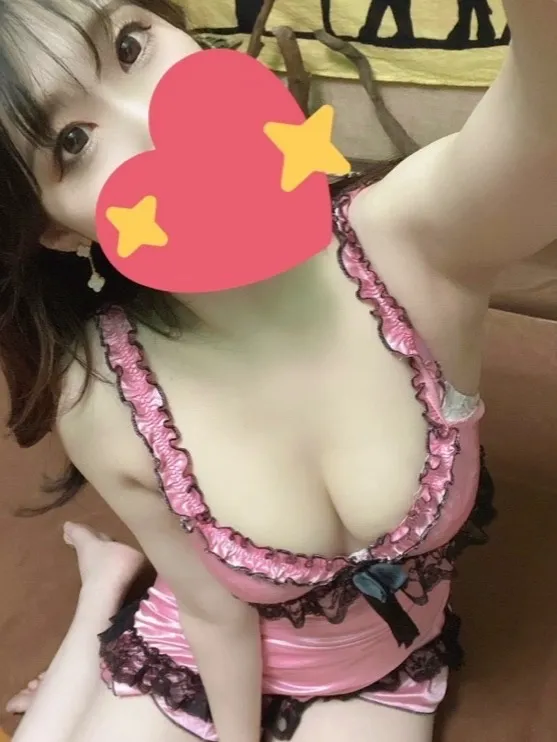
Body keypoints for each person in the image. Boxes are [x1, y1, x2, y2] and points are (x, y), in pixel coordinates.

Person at [1, 0, 555, 740]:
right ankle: (104, 597)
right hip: (201, 646)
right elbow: (210, 611)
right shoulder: (102, 392)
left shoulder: (414, 243)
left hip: (379, 672)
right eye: (73, 142)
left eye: (131, 45)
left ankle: (104, 587)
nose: (156, 121)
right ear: (56, 228)